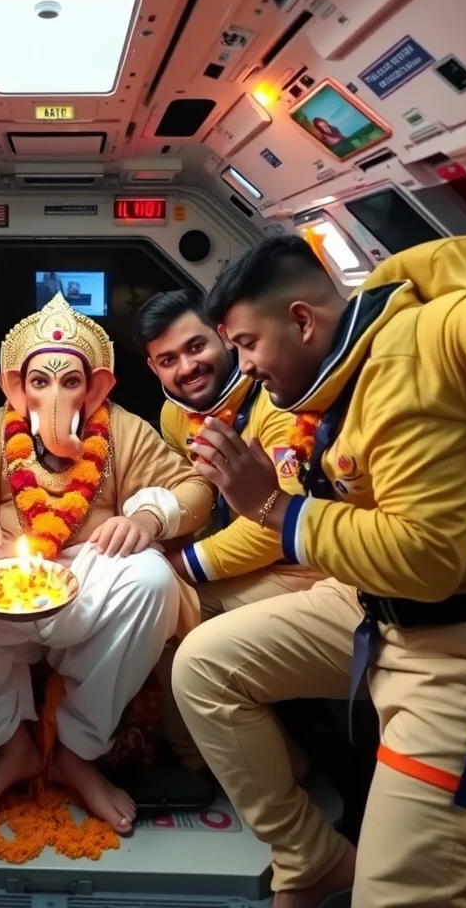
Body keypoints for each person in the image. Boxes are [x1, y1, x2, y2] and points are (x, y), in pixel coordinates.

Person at [170, 59, 466, 908]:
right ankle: (312, 859)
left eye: (243, 345)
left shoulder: (436, 338)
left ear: (302, 320)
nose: (240, 366)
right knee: (202, 666)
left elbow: (426, 559)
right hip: (372, 607)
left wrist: (268, 509)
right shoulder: (329, 385)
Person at [0, 293, 212, 833]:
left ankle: (77, 750)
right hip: (3, 585)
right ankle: (11, 748)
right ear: (16, 386)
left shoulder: (122, 429)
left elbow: (193, 487)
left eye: (70, 382)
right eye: (40, 382)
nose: (54, 394)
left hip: (91, 577)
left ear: (93, 386)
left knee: (151, 580)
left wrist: (146, 517)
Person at [133, 289, 321, 771]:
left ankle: (271, 769)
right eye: (168, 359)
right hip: (239, 562)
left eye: (196, 348)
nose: (186, 368)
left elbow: (277, 521)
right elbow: (189, 491)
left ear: (223, 337)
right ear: (154, 369)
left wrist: (183, 565)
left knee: (168, 615)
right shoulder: (176, 414)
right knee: (150, 599)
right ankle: (198, 756)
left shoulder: (277, 406)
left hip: (303, 568)